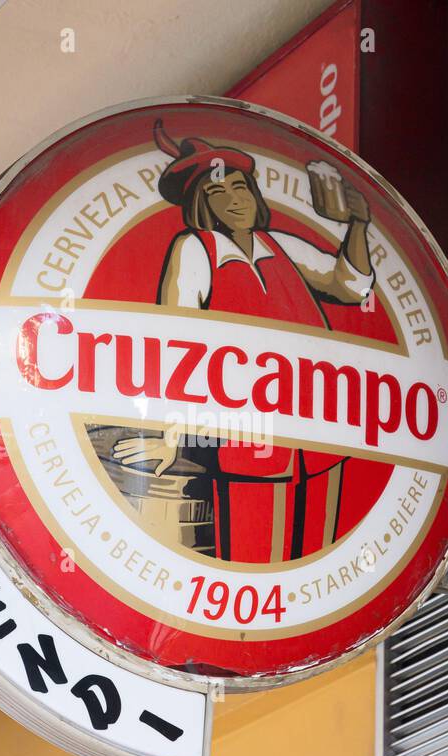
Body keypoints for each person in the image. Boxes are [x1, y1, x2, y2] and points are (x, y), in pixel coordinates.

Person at [110, 120, 376, 563]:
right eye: (219, 193)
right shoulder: (195, 250)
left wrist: (360, 226)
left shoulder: (281, 246)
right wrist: (170, 439)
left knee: (317, 564)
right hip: (248, 445)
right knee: (258, 560)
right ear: (203, 205)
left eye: (241, 188)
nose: (235, 200)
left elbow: (349, 286)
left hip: (319, 436)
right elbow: (179, 350)